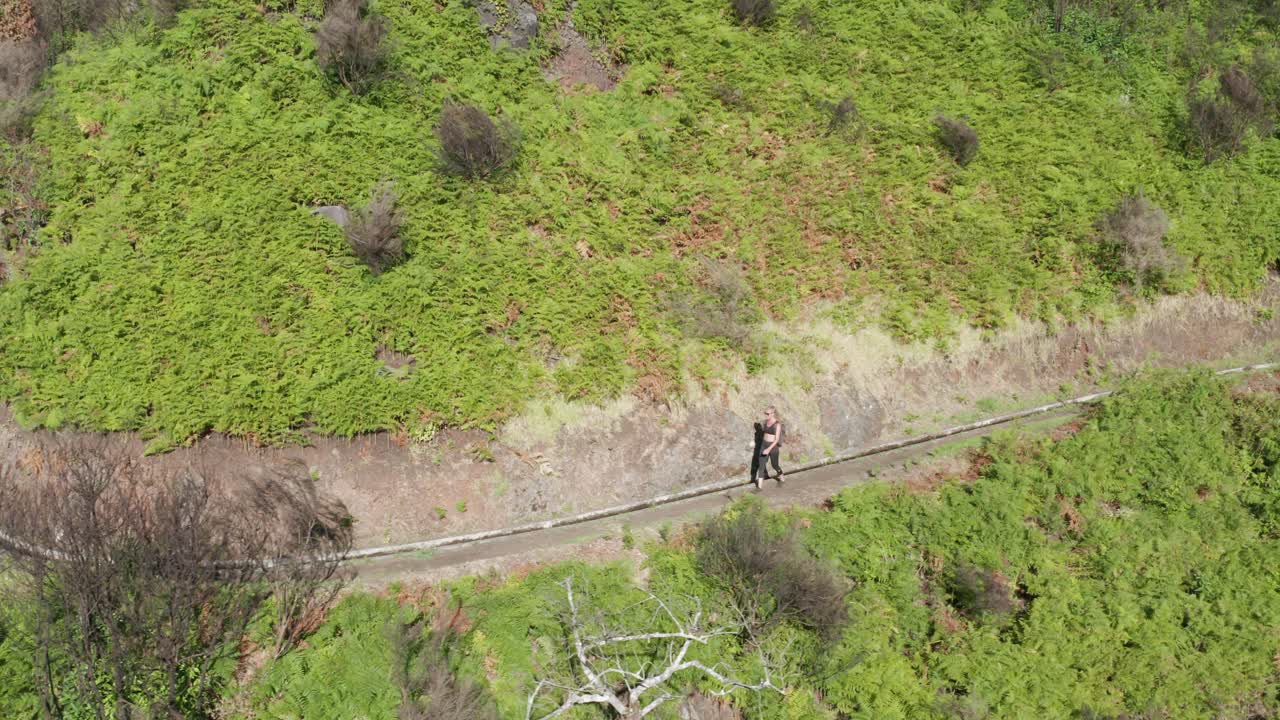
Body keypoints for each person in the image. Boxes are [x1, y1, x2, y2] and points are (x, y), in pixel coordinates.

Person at [754, 407, 784, 487]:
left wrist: (768, 449)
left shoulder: (777, 424)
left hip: (773, 447)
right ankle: (759, 487)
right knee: (761, 465)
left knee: (775, 465)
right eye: (765, 413)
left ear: (772, 414)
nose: (766, 415)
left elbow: (777, 439)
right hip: (764, 445)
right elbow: (764, 434)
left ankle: (781, 475)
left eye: (767, 414)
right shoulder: (765, 422)